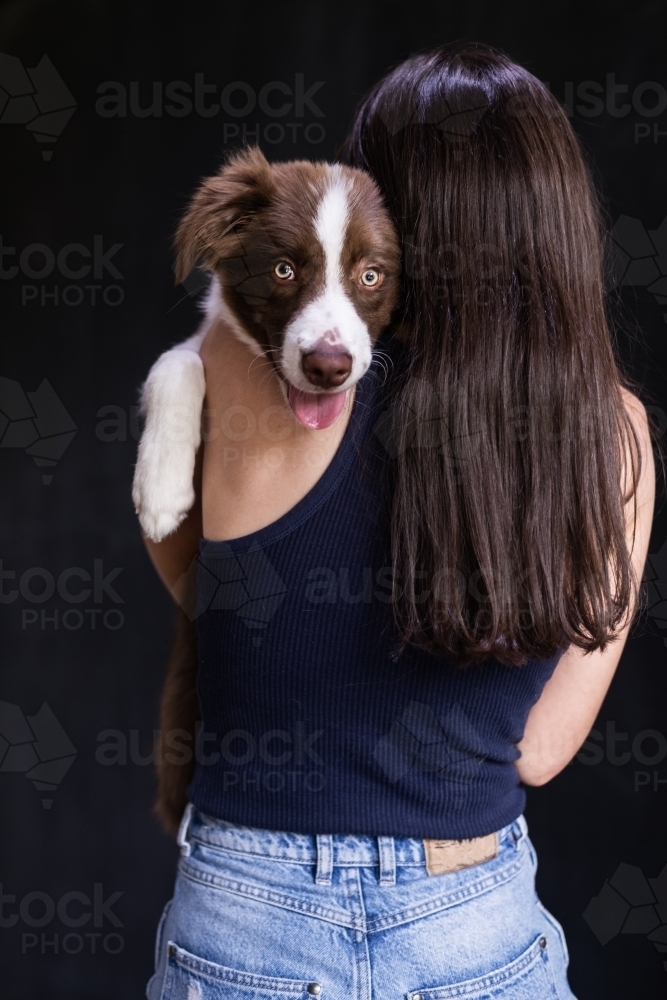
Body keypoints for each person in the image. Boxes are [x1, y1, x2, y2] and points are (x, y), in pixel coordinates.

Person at [142, 41, 657, 1000]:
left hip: (246, 918)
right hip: (470, 925)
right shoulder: (616, 432)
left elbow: (205, 594)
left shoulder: (249, 369)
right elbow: (541, 751)